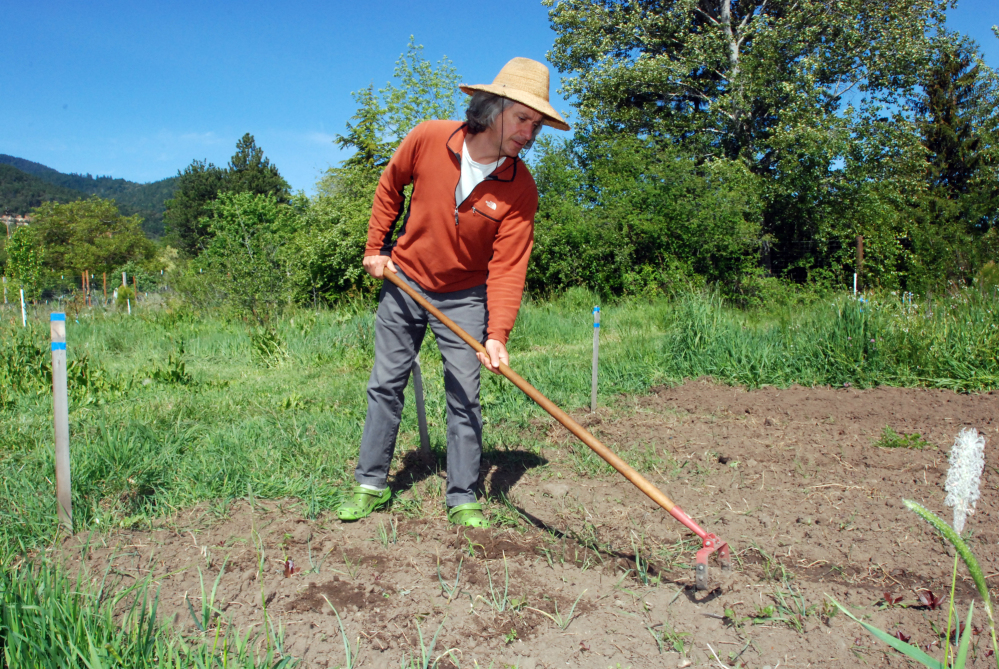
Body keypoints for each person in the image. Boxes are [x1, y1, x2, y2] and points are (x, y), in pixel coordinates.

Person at [336, 57, 570, 527]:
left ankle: (462, 495)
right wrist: (374, 249)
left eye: (538, 124)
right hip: (404, 281)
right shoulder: (429, 138)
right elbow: (390, 187)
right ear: (495, 107)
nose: (530, 133)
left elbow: (508, 266)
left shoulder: (519, 186)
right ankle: (370, 483)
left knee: (465, 392)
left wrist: (497, 332)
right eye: (524, 119)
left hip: (465, 296)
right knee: (386, 383)